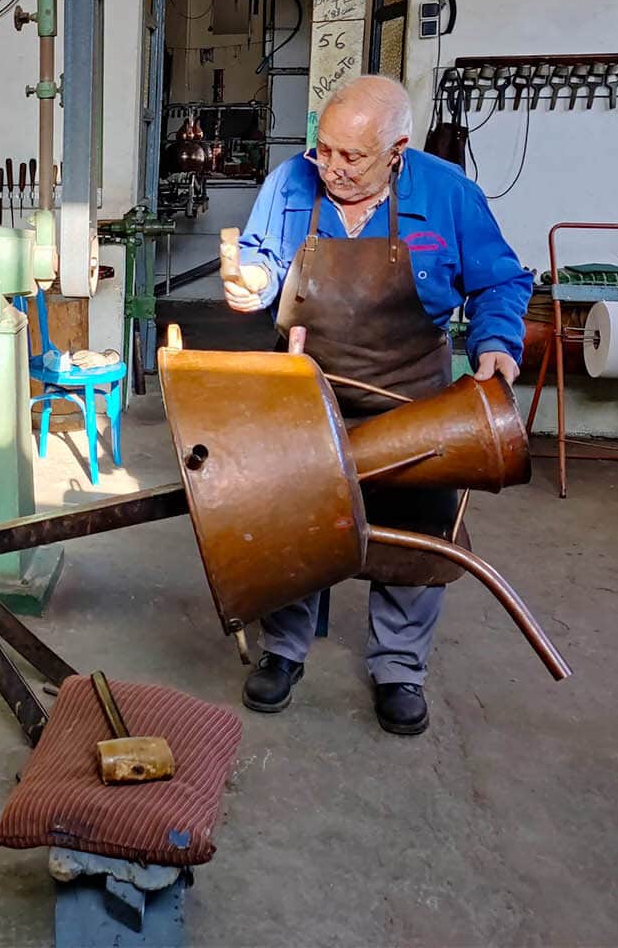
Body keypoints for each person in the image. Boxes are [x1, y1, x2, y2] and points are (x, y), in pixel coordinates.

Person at [224, 74, 532, 735]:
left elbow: (503, 280)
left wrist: (498, 342)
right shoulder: (289, 184)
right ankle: (284, 649)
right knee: (292, 528)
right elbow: (259, 261)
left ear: (398, 147)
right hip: (308, 393)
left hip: (410, 397)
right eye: (324, 150)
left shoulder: (449, 195)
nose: (331, 168)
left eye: (351, 157)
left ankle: (399, 668)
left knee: (417, 536)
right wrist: (250, 284)